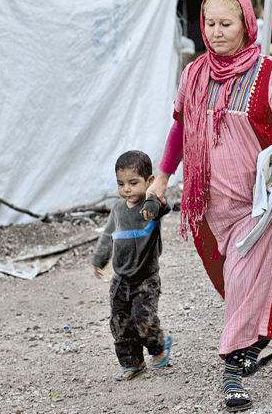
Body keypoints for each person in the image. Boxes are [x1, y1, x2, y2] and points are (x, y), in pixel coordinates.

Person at [147, 0, 272, 412]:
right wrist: (162, 177)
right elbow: (179, 130)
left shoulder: (270, 71)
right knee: (234, 282)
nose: (217, 32)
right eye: (210, 24)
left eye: (227, 24)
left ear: (247, 25)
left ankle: (231, 370)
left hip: (261, 204)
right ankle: (255, 341)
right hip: (209, 205)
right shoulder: (193, 74)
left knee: (244, 278)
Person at [91, 150, 173, 381]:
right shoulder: (117, 210)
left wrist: (155, 200)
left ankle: (159, 346)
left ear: (148, 181)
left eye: (133, 183)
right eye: (121, 183)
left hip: (146, 278)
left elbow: (168, 205)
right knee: (120, 324)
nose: (126, 189)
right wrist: (99, 259)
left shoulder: (151, 208)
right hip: (120, 280)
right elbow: (107, 236)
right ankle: (133, 362)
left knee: (143, 320)